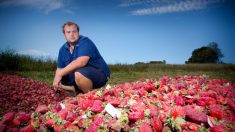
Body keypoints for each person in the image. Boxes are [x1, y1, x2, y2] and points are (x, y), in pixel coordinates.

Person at [53, 21, 110, 94]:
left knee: (79, 74)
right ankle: (74, 90)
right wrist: (56, 80)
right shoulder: (62, 49)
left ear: (78, 33)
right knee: (62, 77)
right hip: (81, 74)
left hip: (99, 73)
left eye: (74, 31)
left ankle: (89, 96)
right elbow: (59, 69)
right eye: (68, 32)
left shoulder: (85, 41)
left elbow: (81, 62)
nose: (72, 34)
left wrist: (60, 74)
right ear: (64, 34)